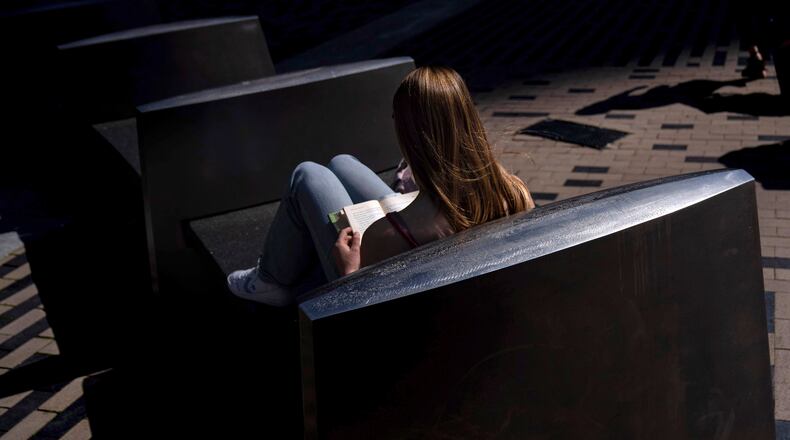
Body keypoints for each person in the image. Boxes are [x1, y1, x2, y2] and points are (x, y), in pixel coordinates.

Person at [227, 66, 535, 305]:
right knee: (342, 163)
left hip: (393, 259)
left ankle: (268, 279)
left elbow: (362, 307)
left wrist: (348, 270)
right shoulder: (513, 191)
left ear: (410, 135)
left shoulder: (384, 236)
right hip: (436, 238)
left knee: (309, 175)